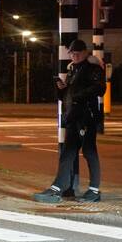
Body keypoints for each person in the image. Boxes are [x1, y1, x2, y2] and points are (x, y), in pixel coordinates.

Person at [34, 39, 106, 204]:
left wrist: (78, 94)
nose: (75, 56)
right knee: (67, 153)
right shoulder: (73, 69)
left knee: (89, 151)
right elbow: (69, 94)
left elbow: (100, 89)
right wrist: (62, 89)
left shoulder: (93, 69)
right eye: (72, 53)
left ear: (85, 52)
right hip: (73, 116)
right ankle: (57, 188)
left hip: (86, 116)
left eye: (78, 53)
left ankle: (94, 190)